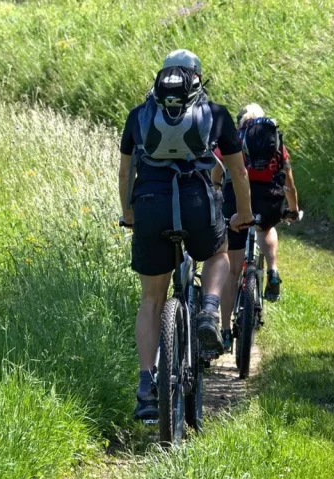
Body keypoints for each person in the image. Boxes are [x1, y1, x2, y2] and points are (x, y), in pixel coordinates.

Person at [118, 50, 253, 420]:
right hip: (196, 201)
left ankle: (146, 387)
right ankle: (209, 310)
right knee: (218, 252)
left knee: (151, 300)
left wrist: (129, 214)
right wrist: (242, 213)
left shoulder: (139, 115)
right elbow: (238, 174)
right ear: (197, 79)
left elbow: (125, 171)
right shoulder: (217, 114)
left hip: (149, 205)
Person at [212, 103, 301, 351]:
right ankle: (272, 270)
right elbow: (289, 185)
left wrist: (217, 195)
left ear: (240, 121)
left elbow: (215, 174)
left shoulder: (231, 140)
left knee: (232, 273)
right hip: (269, 200)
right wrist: (292, 210)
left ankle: (226, 330)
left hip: (236, 205)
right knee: (266, 228)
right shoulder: (276, 145)